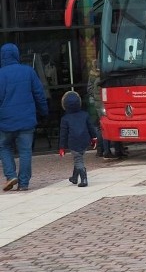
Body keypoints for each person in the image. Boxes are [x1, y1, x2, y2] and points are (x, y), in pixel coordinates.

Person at [0, 43, 49, 192]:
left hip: (5, 121)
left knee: (4, 147)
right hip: (26, 120)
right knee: (25, 151)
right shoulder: (28, 72)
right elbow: (39, 94)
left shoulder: (0, 74)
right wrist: (44, 112)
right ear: (16, 55)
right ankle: (23, 183)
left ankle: (10, 175)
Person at [58, 91, 97, 187]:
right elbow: (91, 128)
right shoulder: (85, 115)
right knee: (78, 157)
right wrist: (94, 138)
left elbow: (63, 134)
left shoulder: (65, 118)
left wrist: (61, 147)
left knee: (78, 160)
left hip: (73, 142)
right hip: (85, 141)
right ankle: (74, 177)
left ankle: (84, 179)